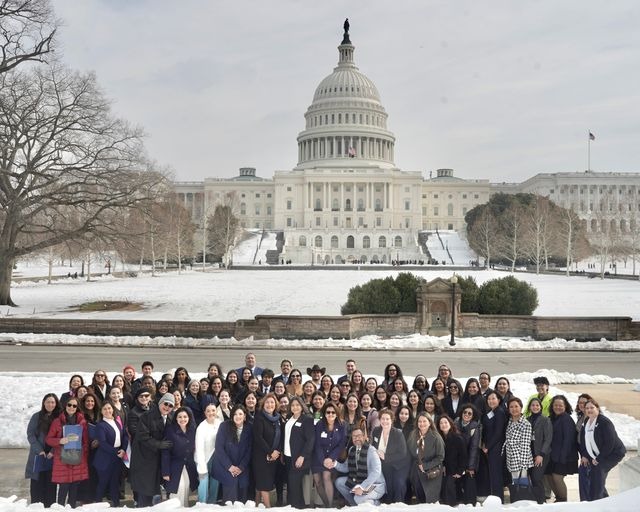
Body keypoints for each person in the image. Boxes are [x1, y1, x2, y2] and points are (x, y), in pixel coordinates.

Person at [130, 392, 175, 507]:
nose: (167, 407)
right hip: (144, 459)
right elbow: (142, 436)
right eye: (165, 404)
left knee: (156, 492)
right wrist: (159, 444)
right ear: (160, 403)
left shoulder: (171, 417)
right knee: (145, 491)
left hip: (158, 460)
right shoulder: (147, 416)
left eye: (171, 406)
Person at [45, 397, 90, 507]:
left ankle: (72, 508)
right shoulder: (57, 422)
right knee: (63, 489)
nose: (71, 407)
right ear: (65, 406)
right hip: (62, 460)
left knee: (74, 490)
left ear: (77, 407)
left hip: (77, 458)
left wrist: (83, 452)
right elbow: (48, 439)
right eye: (69, 405)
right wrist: (59, 440)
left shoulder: (82, 422)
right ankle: (60, 508)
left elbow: (85, 441)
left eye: (74, 406)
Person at [579, 398, 626, 501]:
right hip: (597, 453)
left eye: (592, 407)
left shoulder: (604, 422)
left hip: (613, 453)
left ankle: (597, 501)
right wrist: (585, 455)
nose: (589, 410)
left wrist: (599, 458)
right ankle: (602, 499)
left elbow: (610, 443)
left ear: (598, 408)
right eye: (587, 408)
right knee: (589, 472)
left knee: (598, 471)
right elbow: (584, 440)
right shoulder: (587, 421)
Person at [211, 405, 254, 504]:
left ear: (245, 416)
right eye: (235, 414)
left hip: (241, 466)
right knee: (231, 483)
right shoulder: (224, 426)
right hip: (224, 465)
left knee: (243, 484)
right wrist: (230, 467)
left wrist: (241, 467)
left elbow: (249, 450)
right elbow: (219, 448)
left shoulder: (249, 428)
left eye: (240, 414)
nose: (237, 416)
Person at [333, 427, 386, 506]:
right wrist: (334, 464)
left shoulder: (371, 450)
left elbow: (376, 472)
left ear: (364, 436)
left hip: (375, 485)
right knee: (339, 482)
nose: (357, 438)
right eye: (354, 436)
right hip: (359, 481)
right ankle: (355, 505)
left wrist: (362, 487)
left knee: (358, 498)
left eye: (359, 435)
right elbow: (346, 467)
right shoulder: (352, 449)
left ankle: (376, 504)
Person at [26, 393, 60, 506]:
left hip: (52, 455)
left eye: (53, 402)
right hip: (38, 455)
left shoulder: (59, 417)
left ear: (56, 404)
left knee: (50, 485)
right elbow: (30, 435)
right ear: (43, 403)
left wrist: (52, 451)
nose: (50, 404)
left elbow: (61, 437)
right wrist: (39, 450)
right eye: (48, 402)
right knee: (37, 485)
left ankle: (49, 507)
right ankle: (36, 507)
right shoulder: (37, 416)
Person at [370, 408, 409, 503]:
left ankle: (399, 505)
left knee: (398, 484)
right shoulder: (376, 431)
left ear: (392, 420)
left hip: (398, 466)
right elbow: (374, 447)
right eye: (383, 418)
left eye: (387, 419)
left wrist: (385, 457)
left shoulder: (398, 434)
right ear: (379, 420)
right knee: (387, 486)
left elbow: (403, 453)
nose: (385, 421)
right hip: (384, 465)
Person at [161, 407, 198, 507]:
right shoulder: (170, 431)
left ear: (189, 418)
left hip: (188, 465)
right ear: (176, 418)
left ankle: (184, 507)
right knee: (178, 488)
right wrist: (165, 472)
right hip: (175, 466)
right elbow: (166, 452)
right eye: (180, 417)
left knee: (186, 487)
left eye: (185, 417)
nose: (183, 419)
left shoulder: (192, 430)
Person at [93, 402, 128, 507]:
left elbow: (124, 436)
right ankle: (97, 505)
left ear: (113, 409)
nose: (108, 411)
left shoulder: (117, 422)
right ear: (101, 411)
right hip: (104, 459)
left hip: (116, 458)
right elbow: (102, 443)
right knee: (103, 483)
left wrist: (123, 449)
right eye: (105, 409)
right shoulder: (100, 425)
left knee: (114, 483)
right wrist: (117, 452)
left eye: (109, 408)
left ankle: (116, 505)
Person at [282, 396, 315, 508]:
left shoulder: (307, 419)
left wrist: (302, 456)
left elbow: (310, 440)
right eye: (292, 405)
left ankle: (295, 507)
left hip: (299, 458)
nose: (295, 407)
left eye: (297, 405)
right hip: (288, 457)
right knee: (293, 486)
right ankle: (297, 507)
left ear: (302, 406)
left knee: (293, 484)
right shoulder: (289, 419)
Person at [312, 402, 347, 507]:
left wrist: (331, 458)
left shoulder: (342, 424)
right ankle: (326, 504)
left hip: (332, 457)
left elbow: (341, 444)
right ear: (324, 413)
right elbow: (317, 444)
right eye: (328, 412)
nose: (330, 414)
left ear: (336, 413)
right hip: (318, 457)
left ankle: (330, 506)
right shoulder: (319, 424)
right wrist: (323, 459)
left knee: (326, 476)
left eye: (333, 412)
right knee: (317, 482)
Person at [252, 394, 282, 507]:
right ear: (263, 404)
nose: (270, 405)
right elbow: (258, 438)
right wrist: (270, 452)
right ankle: (268, 507)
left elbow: (280, 437)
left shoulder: (278, 418)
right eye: (267, 402)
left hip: (274, 456)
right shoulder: (259, 418)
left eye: (272, 402)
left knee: (262, 483)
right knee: (264, 483)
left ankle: (256, 505)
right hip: (261, 456)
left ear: (276, 404)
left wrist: (277, 452)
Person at [407, 412, 444, 503]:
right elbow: (409, 452)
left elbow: (440, 457)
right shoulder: (413, 434)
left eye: (424, 421)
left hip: (431, 471)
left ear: (430, 423)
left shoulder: (436, 437)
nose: (422, 423)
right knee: (420, 499)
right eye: (420, 421)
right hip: (416, 471)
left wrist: (425, 466)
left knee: (430, 500)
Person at [548, 394, 578, 502]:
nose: (558, 407)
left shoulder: (566, 419)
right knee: (549, 476)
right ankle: (558, 498)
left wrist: (562, 458)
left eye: (561, 405)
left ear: (565, 406)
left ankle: (563, 500)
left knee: (557, 477)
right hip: (554, 455)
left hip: (565, 455)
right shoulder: (552, 418)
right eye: (555, 405)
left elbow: (568, 441)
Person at [480, 391, 507, 502]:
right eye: (489, 399)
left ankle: (498, 498)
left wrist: (488, 446)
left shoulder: (500, 412)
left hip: (496, 447)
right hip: (490, 447)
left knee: (496, 473)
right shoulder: (491, 412)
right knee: (492, 472)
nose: (491, 401)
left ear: (498, 400)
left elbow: (498, 433)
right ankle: (494, 496)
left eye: (493, 398)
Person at [503, 397, 534, 491]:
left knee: (522, 482)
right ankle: (517, 499)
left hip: (520, 459)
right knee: (515, 481)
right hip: (511, 458)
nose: (514, 409)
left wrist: (523, 465)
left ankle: (524, 499)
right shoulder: (510, 421)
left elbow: (525, 445)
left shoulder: (525, 423)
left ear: (521, 408)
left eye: (516, 406)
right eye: (511, 407)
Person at [455, 404, 482, 505]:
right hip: (457, 458)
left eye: (469, 413)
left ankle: (470, 503)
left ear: (473, 416)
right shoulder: (456, 422)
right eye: (465, 412)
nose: (466, 414)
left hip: (469, 457)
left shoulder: (474, 426)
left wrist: (471, 467)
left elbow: (474, 448)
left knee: (469, 479)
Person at [527, 397, 552, 504]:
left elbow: (548, 439)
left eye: (537, 405)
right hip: (529, 454)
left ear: (541, 407)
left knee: (536, 477)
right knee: (531, 478)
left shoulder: (545, 420)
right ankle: (536, 500)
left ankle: (542, 502)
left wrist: (541, 454)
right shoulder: (527, 420)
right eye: (533, 405)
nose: (535, 407)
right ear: (529, 407)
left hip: (541, 454)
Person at [437, 415, 467, 506]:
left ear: (450, 423)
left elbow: (464, 456)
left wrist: (459, 471)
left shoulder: (458, 438)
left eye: (445, 422)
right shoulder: (439, 438)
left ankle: (451, 506)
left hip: (455, 470)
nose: (443, 425)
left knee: (448, 485)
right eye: (441, 423)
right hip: (444, 470)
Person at [195, 403, 220, 504]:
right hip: (203, 458)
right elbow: (199, 448)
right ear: (205, 413)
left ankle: (212, 503)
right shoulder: (201, 427)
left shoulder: (219, 423)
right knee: (203, 482)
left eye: (213, 410)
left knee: (215, 481)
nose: (211, 413)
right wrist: (202, 466)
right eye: (208, 411)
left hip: (215, 458)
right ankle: (202, 504)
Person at [575, 393, 595, 501]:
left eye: (584, 402)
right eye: (580, 403)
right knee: (585, 480)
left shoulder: (591, 418)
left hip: (590, 455)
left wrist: (586, 455)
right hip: (583, 453)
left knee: (588, 481)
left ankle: (587, 503)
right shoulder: (581, 416)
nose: (581, 405)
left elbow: (592, 439)